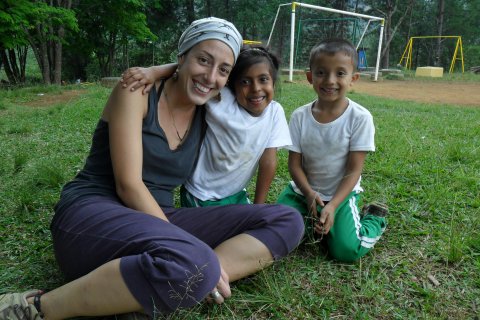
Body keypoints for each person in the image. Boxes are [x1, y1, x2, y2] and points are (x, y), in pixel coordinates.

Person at [0, 17, 304, 320]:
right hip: (92, 214)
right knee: (191, 257)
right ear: (182, 56)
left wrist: (198, 262)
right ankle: (34, 307)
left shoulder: (210, 103)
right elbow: (128, 185)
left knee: (287, 219)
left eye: (222, 70)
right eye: (202, 60)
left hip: (157, 218)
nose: (211, 77)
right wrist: (155, 72)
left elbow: (223, 80)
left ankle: (197, 277)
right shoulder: (137, 91)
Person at [121, 46, 291, 206]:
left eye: (263, 79)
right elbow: (188, 71)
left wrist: (258, 206)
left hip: (236, 193)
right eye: (245, 82)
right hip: (201, 192)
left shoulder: (275, 113)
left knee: (263, 223)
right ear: (232, 85)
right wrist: (154, 71)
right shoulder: (221, 99)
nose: (256, 88)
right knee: (213, 236)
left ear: (273, 82)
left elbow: (268, 161)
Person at [276, 38, 388, 263]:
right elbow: (294, 164)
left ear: (353, 79)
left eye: (340, 73)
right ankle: (313, 222)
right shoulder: (299, 116)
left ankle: (374, 219)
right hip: (302, 192)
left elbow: (354, 170)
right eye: (321, 72)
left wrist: (334, 205)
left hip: (341, 195)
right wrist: (308, 193)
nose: (329, 80)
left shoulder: (360, 118)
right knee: (280, 235)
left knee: (345, 250)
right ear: (309, 77)